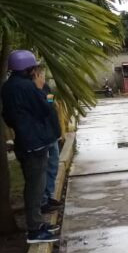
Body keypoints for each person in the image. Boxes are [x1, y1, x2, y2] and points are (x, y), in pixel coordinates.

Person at [1, 51, 60, 243]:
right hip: (35, 142)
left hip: (28, 141)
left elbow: (8, 117)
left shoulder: (8, 87)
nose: (37, 71)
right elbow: (47, 107)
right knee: (36, 187)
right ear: (29, 69)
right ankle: (34, 230)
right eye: (35, 68)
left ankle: (37, 222)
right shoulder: (29, 87)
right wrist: (43, 90)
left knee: (38, 183)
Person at [33, 66, 63, 214]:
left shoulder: (46, 89)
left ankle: (49, 195)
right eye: (42, 75)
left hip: (51, 133)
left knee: (53, 165)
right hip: (41, 136)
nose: (44, 78)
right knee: (43, 169)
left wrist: (57, 130)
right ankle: (43, 200)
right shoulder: (31, 91)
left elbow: (51, 107)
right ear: (36, 75)